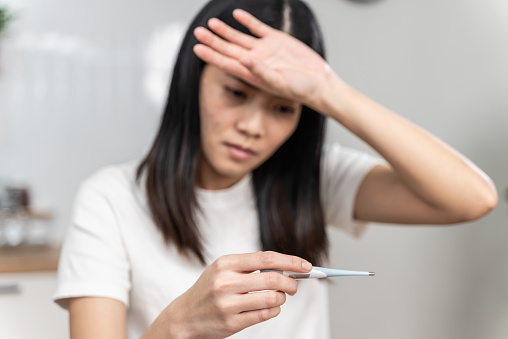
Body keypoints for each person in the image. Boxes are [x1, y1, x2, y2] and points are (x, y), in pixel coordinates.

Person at [53, 0, 498, 338]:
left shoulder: (316, 178)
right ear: (193, 82)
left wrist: (329, 90)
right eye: (236, 93)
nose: (252, 127)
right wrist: (179, 325)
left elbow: (474, 198)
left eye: (283, 107)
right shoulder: (109, 199)